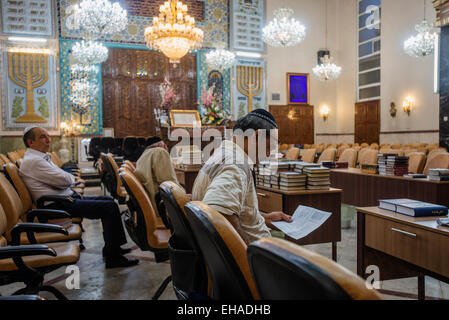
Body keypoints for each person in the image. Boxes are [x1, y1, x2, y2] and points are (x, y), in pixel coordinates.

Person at [19, 126, 139, 269]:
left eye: (48, 136)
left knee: (108, 201)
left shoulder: (39, 157)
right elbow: (65, 180)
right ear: (30, 142)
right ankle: (113, 257)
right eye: (43, 137)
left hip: (65, 199)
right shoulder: (34, 161)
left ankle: (112, 249)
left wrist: (66, 179)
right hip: (57, 206)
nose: (49, 140)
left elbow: (63, 178)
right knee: (109, 207)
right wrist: (67, 179)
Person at [192, 109, 292, 245]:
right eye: (269, 147)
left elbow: (232, 209)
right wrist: (248, 254)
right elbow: (219, 215)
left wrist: (266, 218)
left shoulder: (224, 153)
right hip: (255, 257)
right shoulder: (236, 165)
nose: (268, 155)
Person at [134, 136, 181, 216]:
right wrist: (182, 195)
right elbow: (169, 183)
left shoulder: (145, 154)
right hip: (161, 207)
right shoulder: (160, 152)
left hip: (148, 203)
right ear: (160, 144)